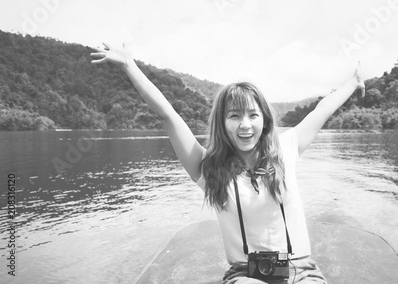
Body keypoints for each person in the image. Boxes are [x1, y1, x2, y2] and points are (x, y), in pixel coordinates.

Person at [91, 43, 365, 284]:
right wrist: (130, 66)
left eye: (253, 115)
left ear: (265, 120)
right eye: (234, 115)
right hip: (246, 275)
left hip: (302, 270)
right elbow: (168, 115)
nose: (245, 125)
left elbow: (322, 110)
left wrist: (353, 82)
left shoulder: (286, 148)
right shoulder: (208, 169)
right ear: (222, 123)